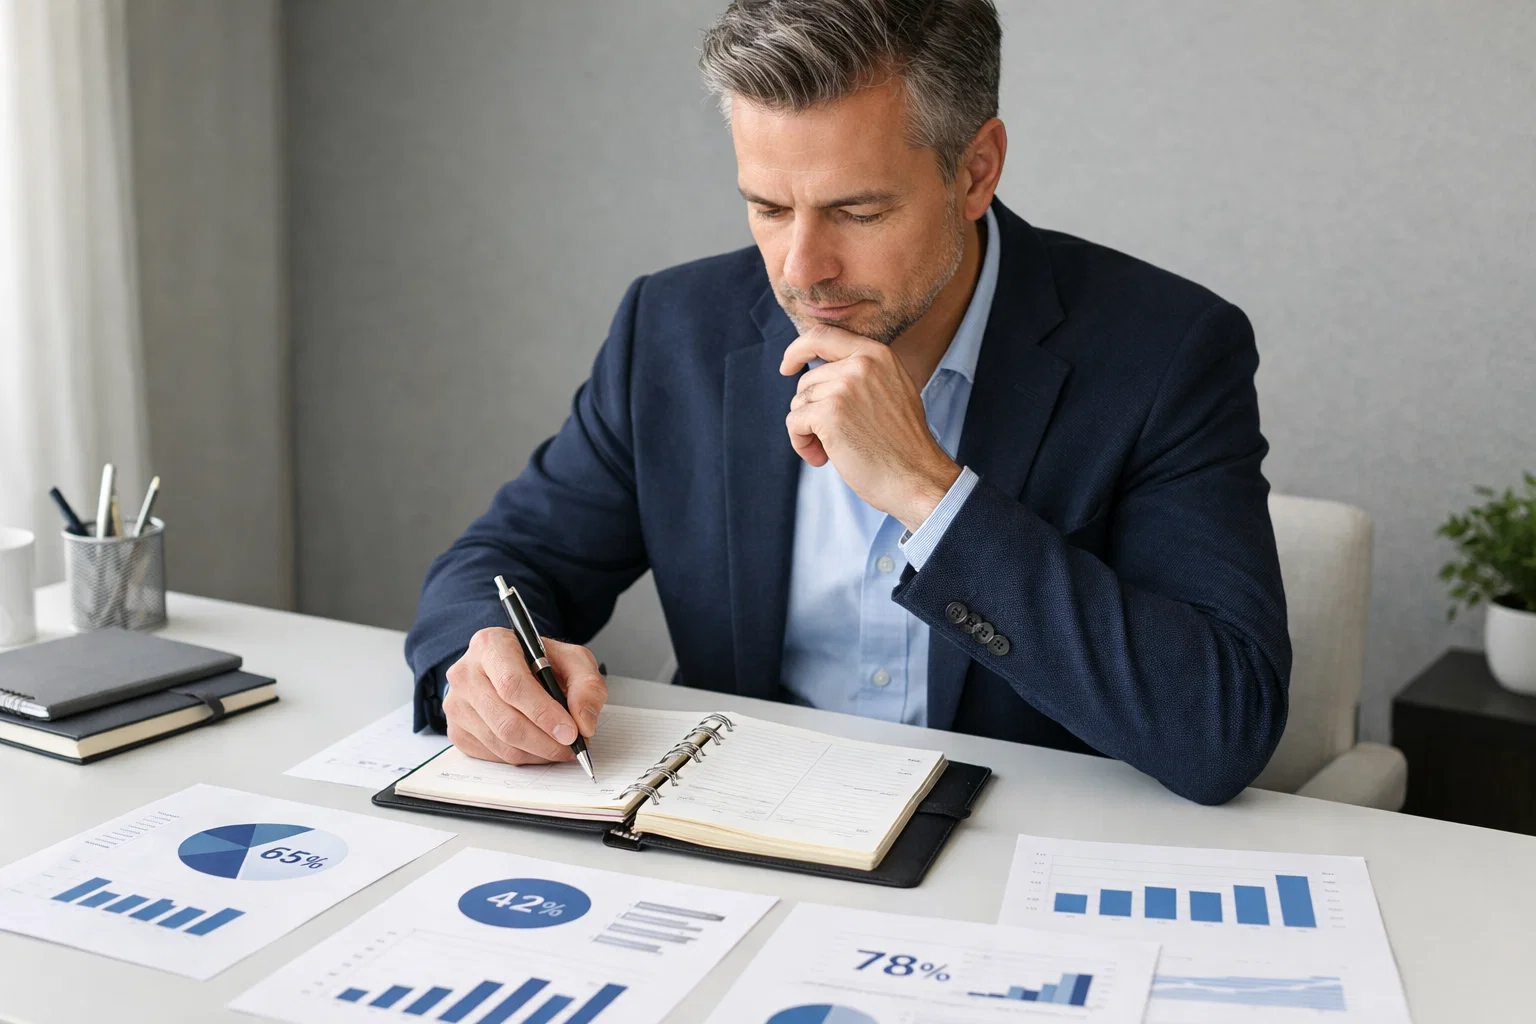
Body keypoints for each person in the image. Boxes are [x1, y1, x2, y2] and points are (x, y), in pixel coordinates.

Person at [405, 0, 1291, 805]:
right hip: (741, 833)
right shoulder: (674, 329)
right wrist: (481, 660)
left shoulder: (1168, 351)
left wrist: (931, 494)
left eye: (858, 214)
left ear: (975, 172)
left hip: (1018, 860)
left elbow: (1221, 728)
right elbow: (504, 560)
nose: (801, 270)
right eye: (767, 206)